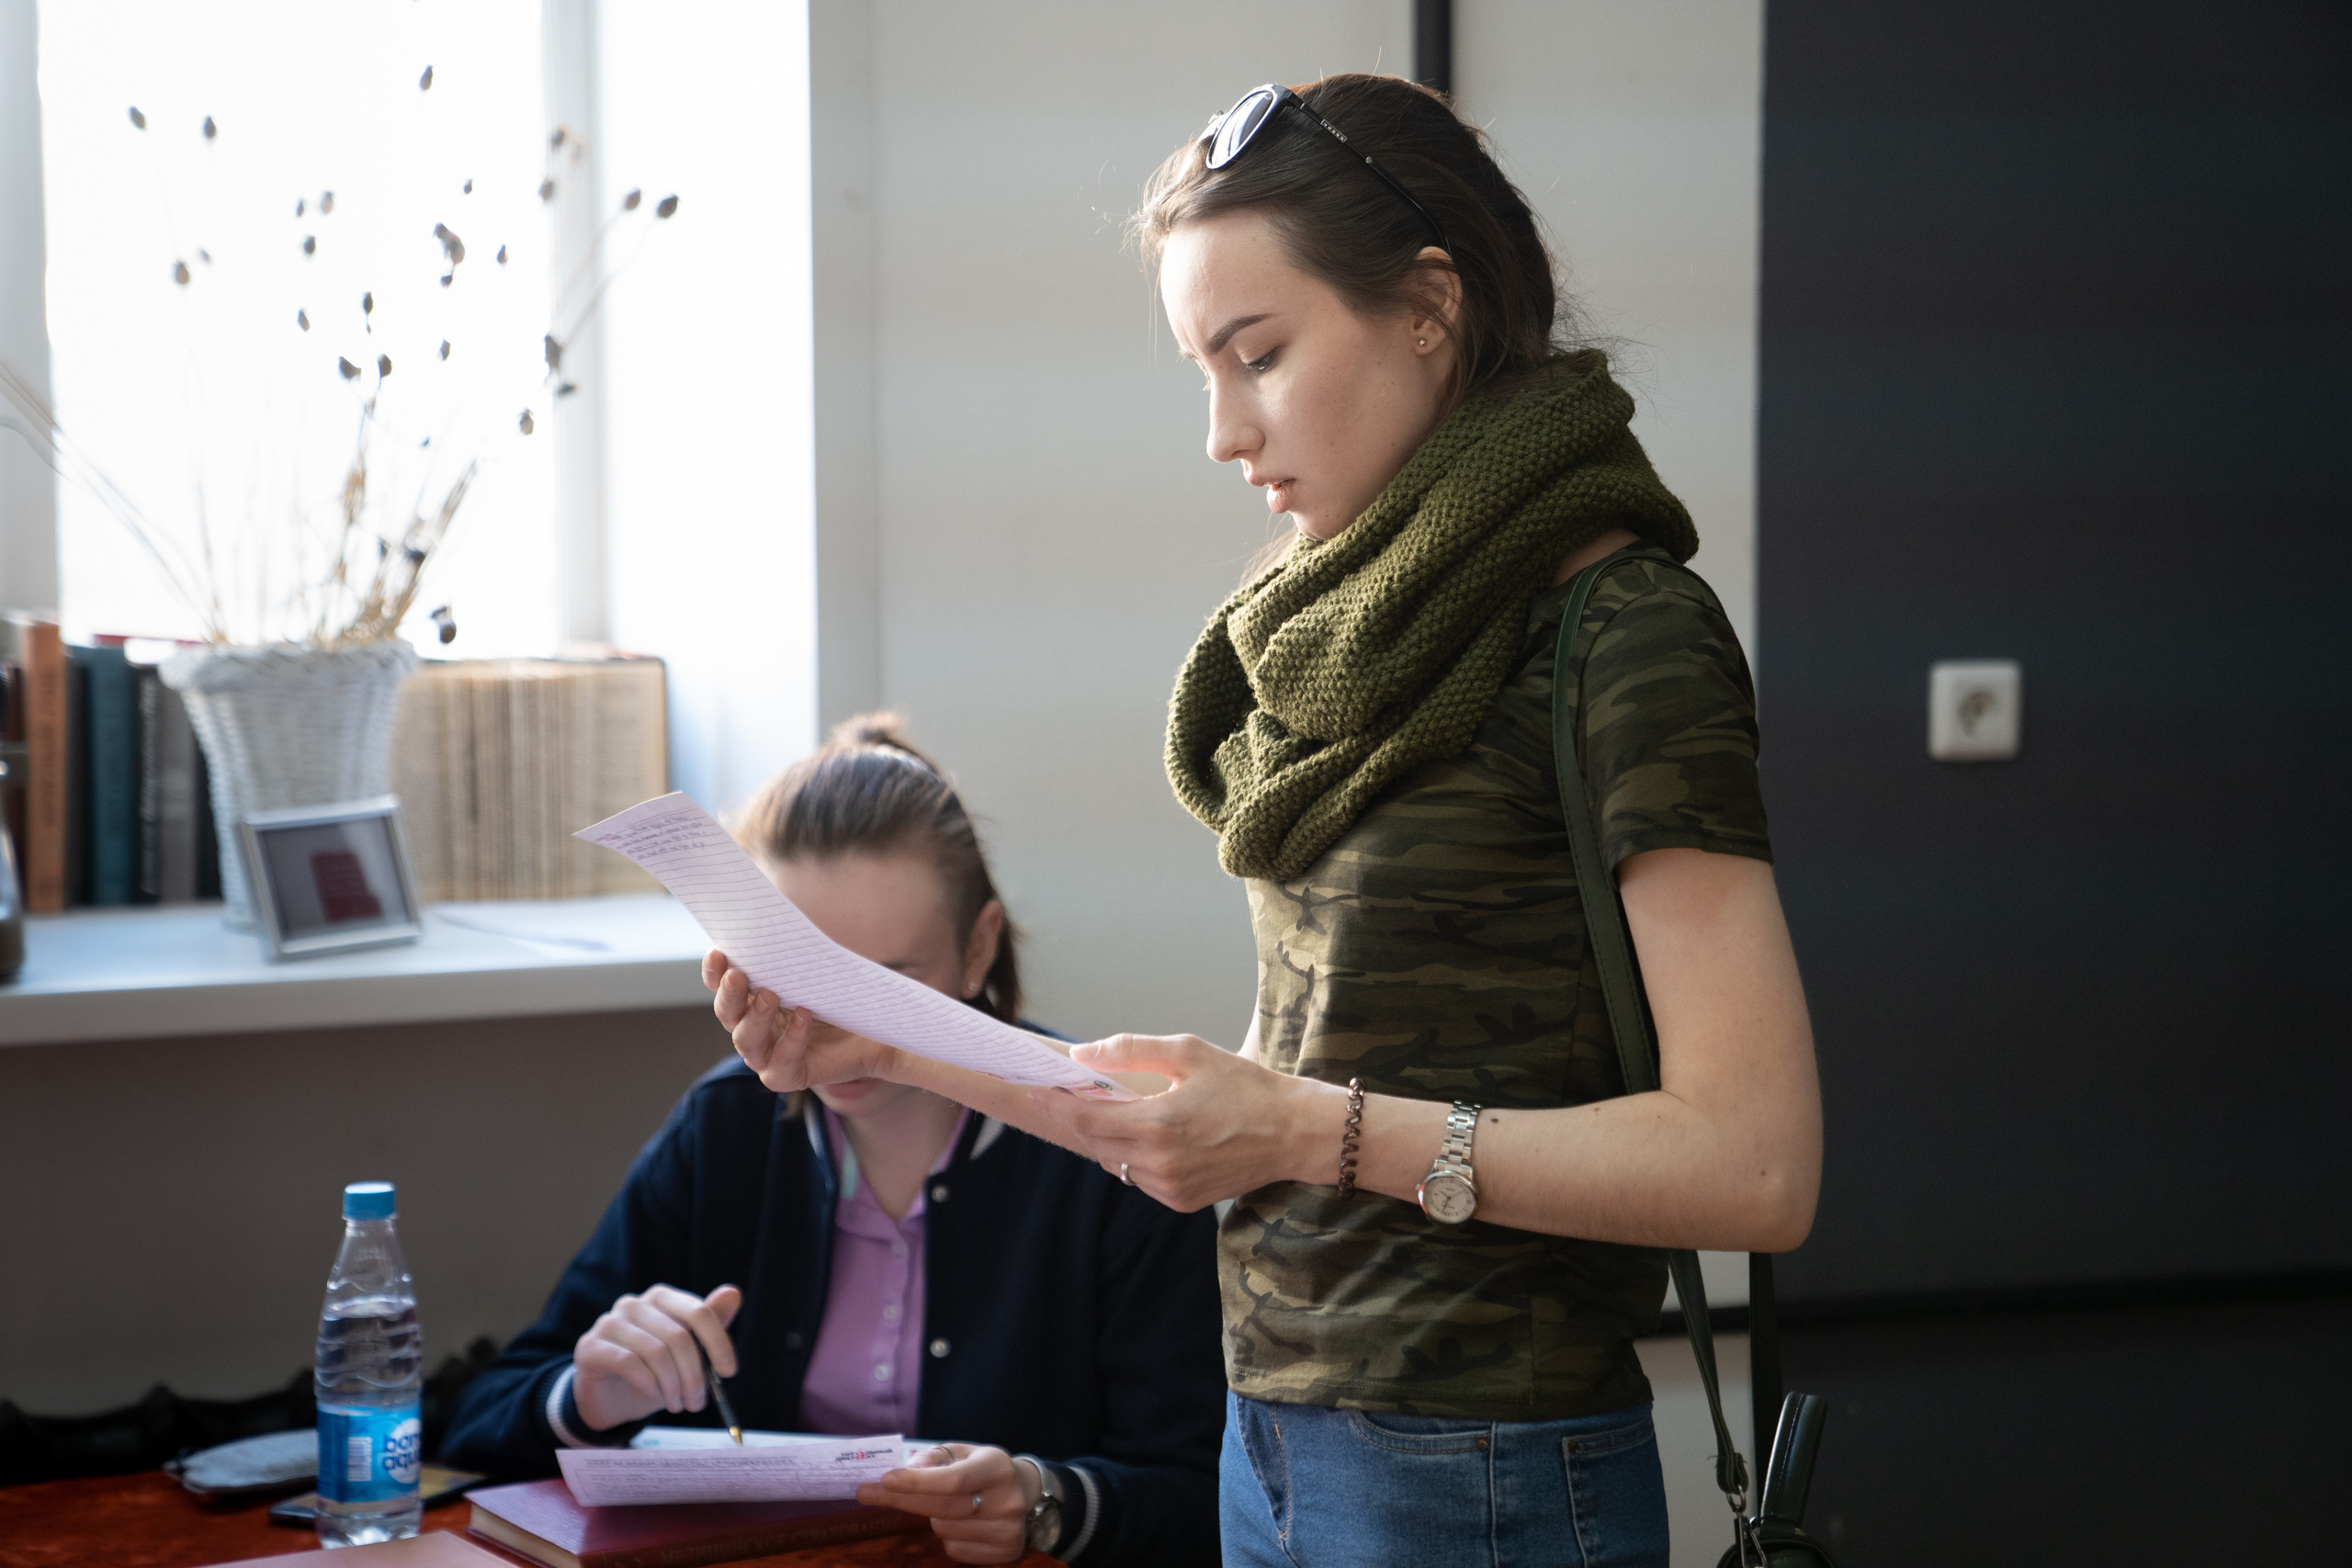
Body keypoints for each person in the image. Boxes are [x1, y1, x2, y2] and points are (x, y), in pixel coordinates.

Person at [710, 74, 1823, 1568]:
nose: (1224, 432)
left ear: (1429, 305)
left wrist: (1302, 1123)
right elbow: (1255, 1117)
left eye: (1260, 355)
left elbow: (1755, 1164)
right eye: (1199, 369)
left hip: (1483, 1461)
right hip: (1275, 1438)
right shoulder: (1347, 641)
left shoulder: (1622, 635)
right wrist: (882, 1041)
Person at [443, 716, 1226, 1568]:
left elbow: (1209, 1495)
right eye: (793, 976)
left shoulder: (1111, 1145)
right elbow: (482, 1412)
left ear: (979, 948)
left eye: (889, 980)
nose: (837, 1028)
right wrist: (591, 1395)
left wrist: (1044, 1500)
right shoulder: (727, 1127)